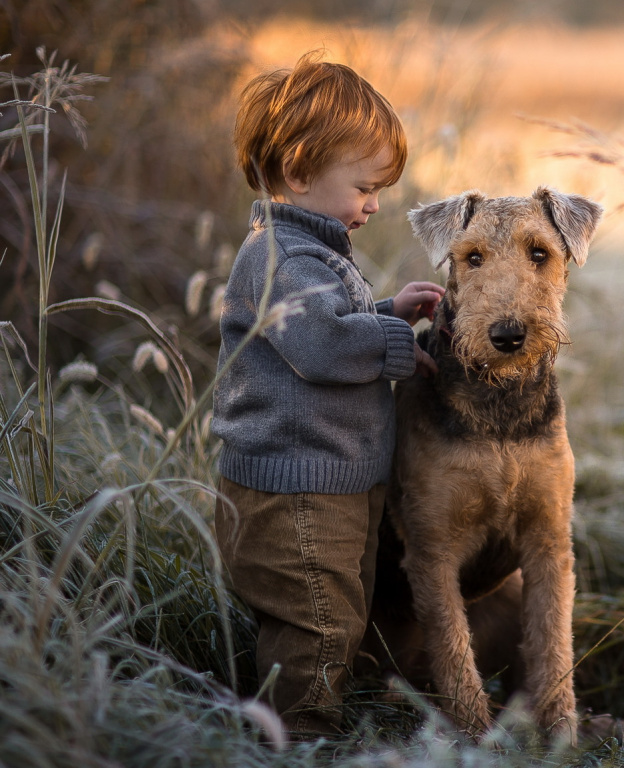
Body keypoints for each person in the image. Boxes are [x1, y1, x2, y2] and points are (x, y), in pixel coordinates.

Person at [211, 51, 442, 737]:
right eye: (366, 186)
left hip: (326, 482)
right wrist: (399, 347)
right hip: (295, 493)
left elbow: (326, 327)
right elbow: (317, 347)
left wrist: (386, 310)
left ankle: (323, 713)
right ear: (301, 171)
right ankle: (297, 738)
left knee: (341, 609)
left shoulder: (309, 249)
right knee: (318, 620)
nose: (375, 203)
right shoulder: (278, 254)